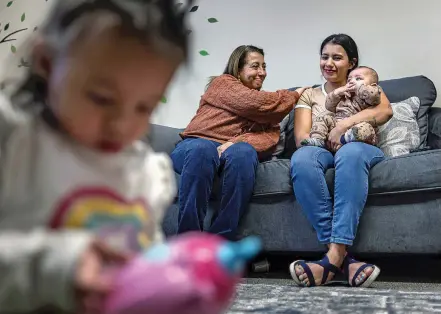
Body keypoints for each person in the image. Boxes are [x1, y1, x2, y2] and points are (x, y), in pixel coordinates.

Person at [0, 0, 193, 312]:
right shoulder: (15, 142)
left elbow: (143, 260)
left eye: (145, 107)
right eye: (102, 99)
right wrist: (54, 267)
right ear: (47, 64)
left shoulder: (144, 173)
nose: (122, 125)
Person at [171, 45, 307, 241]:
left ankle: (220, 242)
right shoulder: (222, 84)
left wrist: (237, 141)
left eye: (264, 66)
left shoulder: (267, 110)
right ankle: (187, 241)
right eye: (255, 66)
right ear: (238, 68)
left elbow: (270, 137)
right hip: (194, 145)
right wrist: (293, 95)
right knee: (203, 149)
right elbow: (252, 103)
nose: (262, 72)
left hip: (231, 151)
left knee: (244, 152)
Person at [290, 34, 393, 288]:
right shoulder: (309, 95)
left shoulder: (364, 84)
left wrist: (344, 126)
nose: (329, 63)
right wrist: (327, 136)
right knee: (302, 158)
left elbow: (385, 111)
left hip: (360, 146)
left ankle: (331, 259)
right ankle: (343, 260)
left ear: (352, 62)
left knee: (350, 152)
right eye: (325, 57)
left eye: (337, 57)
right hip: (321, 147)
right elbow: (302, 137)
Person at [302, 66, 382, 148]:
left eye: (358, 79)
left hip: (357, 129)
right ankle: (318, 139)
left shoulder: (370, 94)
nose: (352, 81)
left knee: (366, 127)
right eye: (349, 80)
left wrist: (360, 88)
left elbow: (374, 95)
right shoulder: (344, 95)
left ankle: (346, 139)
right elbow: (329, 106)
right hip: (336, 126)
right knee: (323, 117)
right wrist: (336, 93)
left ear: (372, 85)